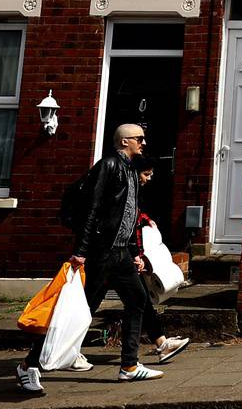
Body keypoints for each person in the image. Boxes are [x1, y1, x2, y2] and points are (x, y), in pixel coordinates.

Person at [17, 123, 164, 395]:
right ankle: (28, 365)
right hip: (100, 253)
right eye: (139, 139)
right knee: (77, 312)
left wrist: (134, 252)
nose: (143, 143)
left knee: (138, 301)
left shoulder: (132, 172)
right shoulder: (108, 166)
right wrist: (81, 252)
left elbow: (127, 216)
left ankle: (129, 367)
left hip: (120, 254)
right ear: (124, 142)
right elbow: (92, 210)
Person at [128, 159, 191, 364]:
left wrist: (145, 219)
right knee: (89, 302)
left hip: (121, 257)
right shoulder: (123, 188)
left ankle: (160, 346)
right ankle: (48, 350)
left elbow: (133, 218)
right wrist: (136, 256)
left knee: (140, 300)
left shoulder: (132, 191)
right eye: (146, 174)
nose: (149, 179)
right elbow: (123, 226)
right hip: (110, 258)